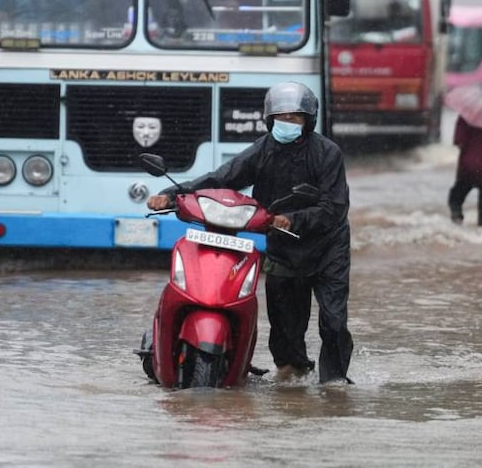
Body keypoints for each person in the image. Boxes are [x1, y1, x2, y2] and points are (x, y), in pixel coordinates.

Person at [146, 82, 354, 384]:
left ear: (309, 121)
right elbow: (223, 177)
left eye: (296, 118)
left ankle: (334, 383)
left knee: (334, 321)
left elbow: (334, 207)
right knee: (285, 325)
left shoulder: (328, 153)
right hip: (283, 246)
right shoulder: (263, 150)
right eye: (282, 118)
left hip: (327, 247)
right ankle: (293, 374)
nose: (289, 124)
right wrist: (171, 194)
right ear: (270, 119)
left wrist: (292, 220)